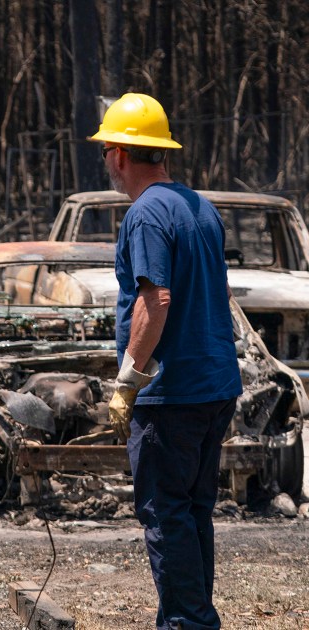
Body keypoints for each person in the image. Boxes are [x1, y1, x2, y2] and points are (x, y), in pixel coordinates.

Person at [93, 93, 242, 630]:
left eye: (106, 152)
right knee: (192, 510)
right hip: (215, 386)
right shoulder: (200, 207)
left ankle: (188, 623)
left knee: (164, 513)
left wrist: (127, 382)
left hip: (172, 394)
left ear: (119, 154)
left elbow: (155, 301)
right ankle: (190, 618)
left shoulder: (145, 214)